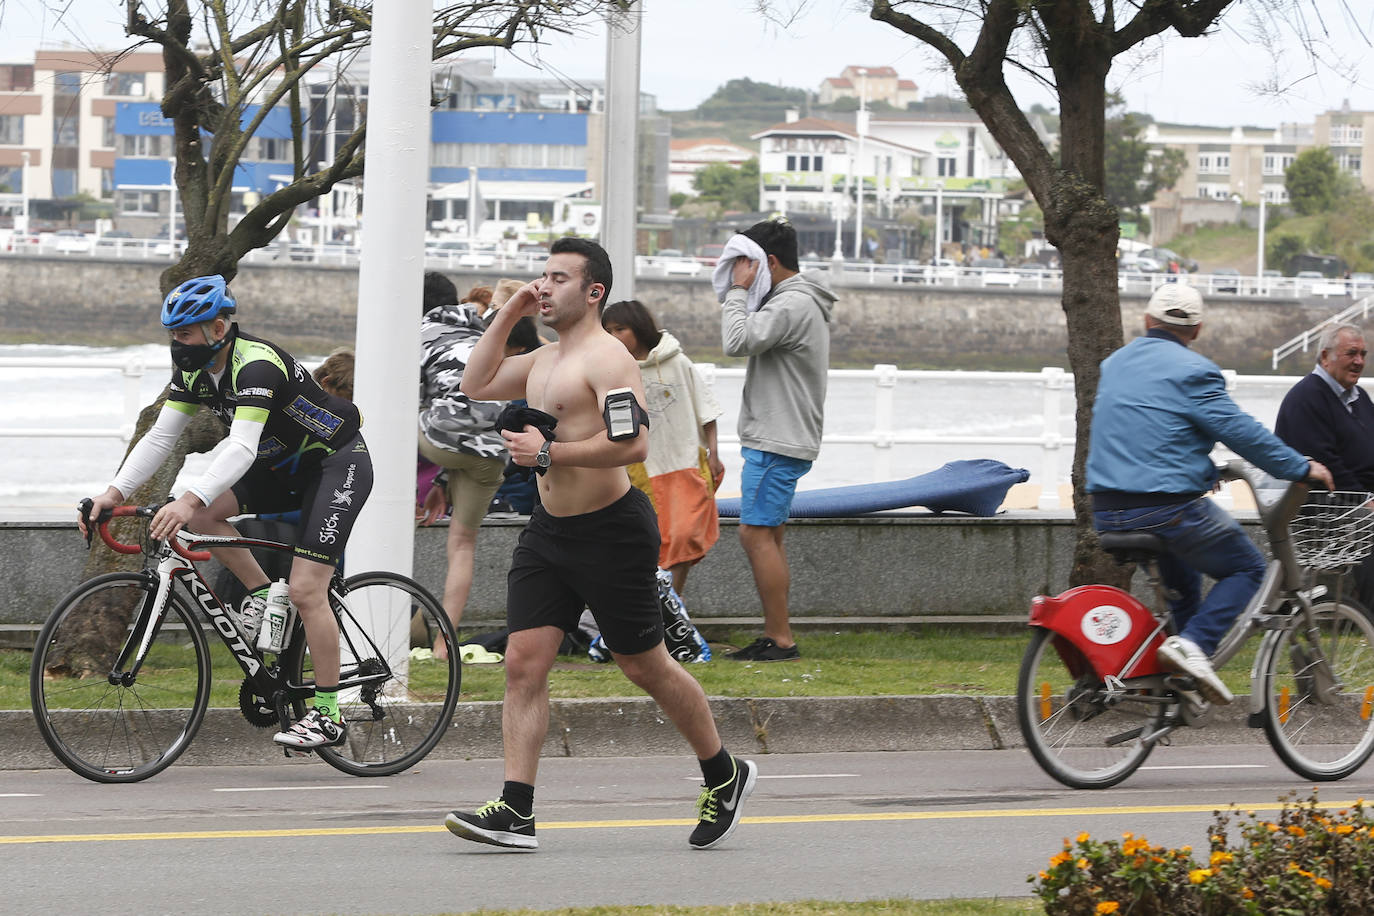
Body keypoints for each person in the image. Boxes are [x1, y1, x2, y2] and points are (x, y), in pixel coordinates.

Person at [445, 237, 756, 851]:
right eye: (542, 276)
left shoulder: (610, 359)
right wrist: (510, 312)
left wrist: (550, 452)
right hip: (549, 530)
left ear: (593, 292)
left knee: (645, 665)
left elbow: (632, 445)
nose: (545, 287)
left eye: (558, 278)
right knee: (522, 663)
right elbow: (474, 382)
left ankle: (724, 773)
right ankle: (516, 810)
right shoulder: (542, 359)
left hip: (611, 531)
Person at [78, 275, 373, 750]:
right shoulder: (195, 372)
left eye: (186, 334)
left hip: (335, 465)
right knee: (203, 518)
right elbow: (160, 436)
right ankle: (259, 595)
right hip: (284, 466)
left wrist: (188, 496)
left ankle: (328, 714)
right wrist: (112, 493)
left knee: (305, 589)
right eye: (172, 335)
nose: (178, 344)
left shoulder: (255, 366)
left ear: (218, 329)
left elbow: (241, 445)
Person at [1086, 284, 1332, 704]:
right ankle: (1193, 645)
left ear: (1147, 321)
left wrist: (1200, 471)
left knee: (1183, 586)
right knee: (1248, 570)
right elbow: (1241, 432)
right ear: (1197, 330)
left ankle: (1177, 685)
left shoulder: (1114, 364)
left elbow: (1144, 437)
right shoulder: (1193, 371)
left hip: (1108, 510)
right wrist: (1299, 467)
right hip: (1166, 511)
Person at [720, 218, 835, 662]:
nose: (737, 274)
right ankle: (776, 633)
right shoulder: (795, 301)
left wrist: (735, 293)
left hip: (777, 440)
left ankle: (780, 637)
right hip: (780, 436)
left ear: (766, 262)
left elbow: (736, 340)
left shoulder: (792, 305)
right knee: (769, 535)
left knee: (754, 535)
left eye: (744, 265)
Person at [601, 298, 725, 594]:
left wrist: (714, 453)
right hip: (639, 468)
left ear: (639, 327)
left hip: (684, 463)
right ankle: (654, 608)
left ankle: (673, 604)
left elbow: (705, 410)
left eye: (621, 328)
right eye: (609, 331)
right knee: (648, 540)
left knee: (684, 537)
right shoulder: (613, 371)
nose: (615, 336)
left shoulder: (678, 362)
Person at [416, 271, 510, 658]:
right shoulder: (480, 332)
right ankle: (443, 646)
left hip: (443, 440)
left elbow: (416, 398)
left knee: (383, 410)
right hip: (494, 452)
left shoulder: (418, 334)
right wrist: (441, 479)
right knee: (463, 544)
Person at [1274, 323, 1374, 606]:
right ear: (1325, 356)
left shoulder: (1359, 397)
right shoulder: (1307, 398)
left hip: (1356, 498)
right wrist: (1366, 500)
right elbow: (1327, 465)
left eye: (1363, 354)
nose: (1359, 362)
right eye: (1351, 353)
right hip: (1322, 508)